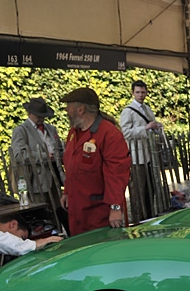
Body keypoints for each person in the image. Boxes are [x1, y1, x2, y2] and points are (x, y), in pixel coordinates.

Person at [60, 87, 132, 235]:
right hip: (78, 210)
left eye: (69, 106)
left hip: (98, 213)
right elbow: (71, 166)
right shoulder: (74, 133)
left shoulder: (109, 133)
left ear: (81, 109)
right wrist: (67, 191)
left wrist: (115, 208)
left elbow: (117, 174)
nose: (66, 110)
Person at [10, 96, 64, 200]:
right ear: (29, 113)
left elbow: (59, 148)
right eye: (38, 116)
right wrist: (45, 157)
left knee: (58, 211)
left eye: (43, 116)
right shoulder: (21, 131)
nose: (41, 118)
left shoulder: (51, 129)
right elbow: (18, 155)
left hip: (55, 179)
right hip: (35, 182)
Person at [119, 80, 163, 166]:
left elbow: (150, 126)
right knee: (140, 179)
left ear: (146, 93)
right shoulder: (128, 111)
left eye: (143, 92)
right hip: (137, 156)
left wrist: (156, 126)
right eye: (137, 92)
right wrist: (145, 128)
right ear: (133, 93)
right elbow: (124, 132)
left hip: (151, 153)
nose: (140, 95)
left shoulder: (148, 109)